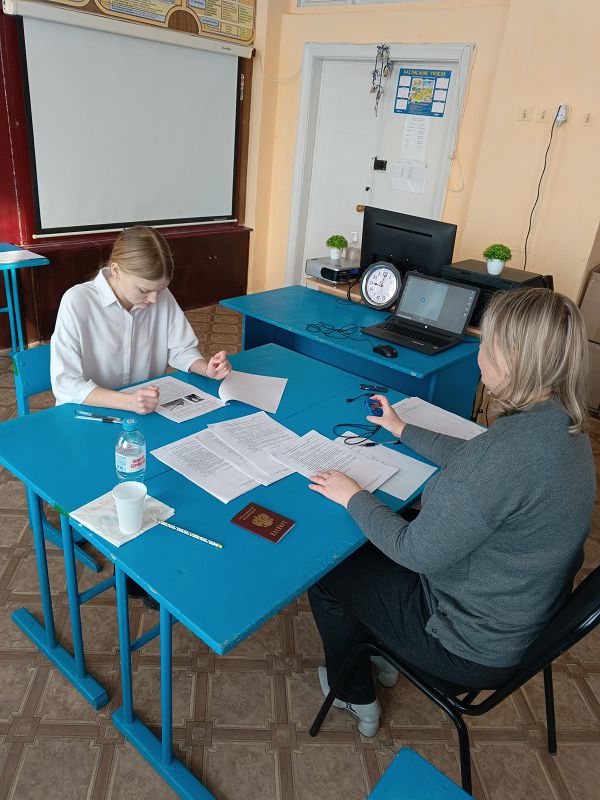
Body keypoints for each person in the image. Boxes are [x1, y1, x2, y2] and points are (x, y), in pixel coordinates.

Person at [308, 287, 596, 737]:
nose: (480, 355)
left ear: (514, 360)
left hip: (465, 645)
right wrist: (401, 428)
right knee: (375, 542)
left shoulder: (502, 457)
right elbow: (475, 458)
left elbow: (414, 552)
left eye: (487, 344)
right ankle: (382, 646)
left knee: (329, 568)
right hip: (518, 611)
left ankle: (353, 690)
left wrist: (353, 496)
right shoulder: (564, 425)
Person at [51, 225, 231, 411]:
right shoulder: (78, 301)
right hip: (88, 411)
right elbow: (66, 383)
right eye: (144, 290)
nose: (154, 299)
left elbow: (181, 349)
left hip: (144, 408)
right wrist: (128, 401)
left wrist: (206, 369)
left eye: (160, 290)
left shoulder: (161, 296)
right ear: (116, 270)